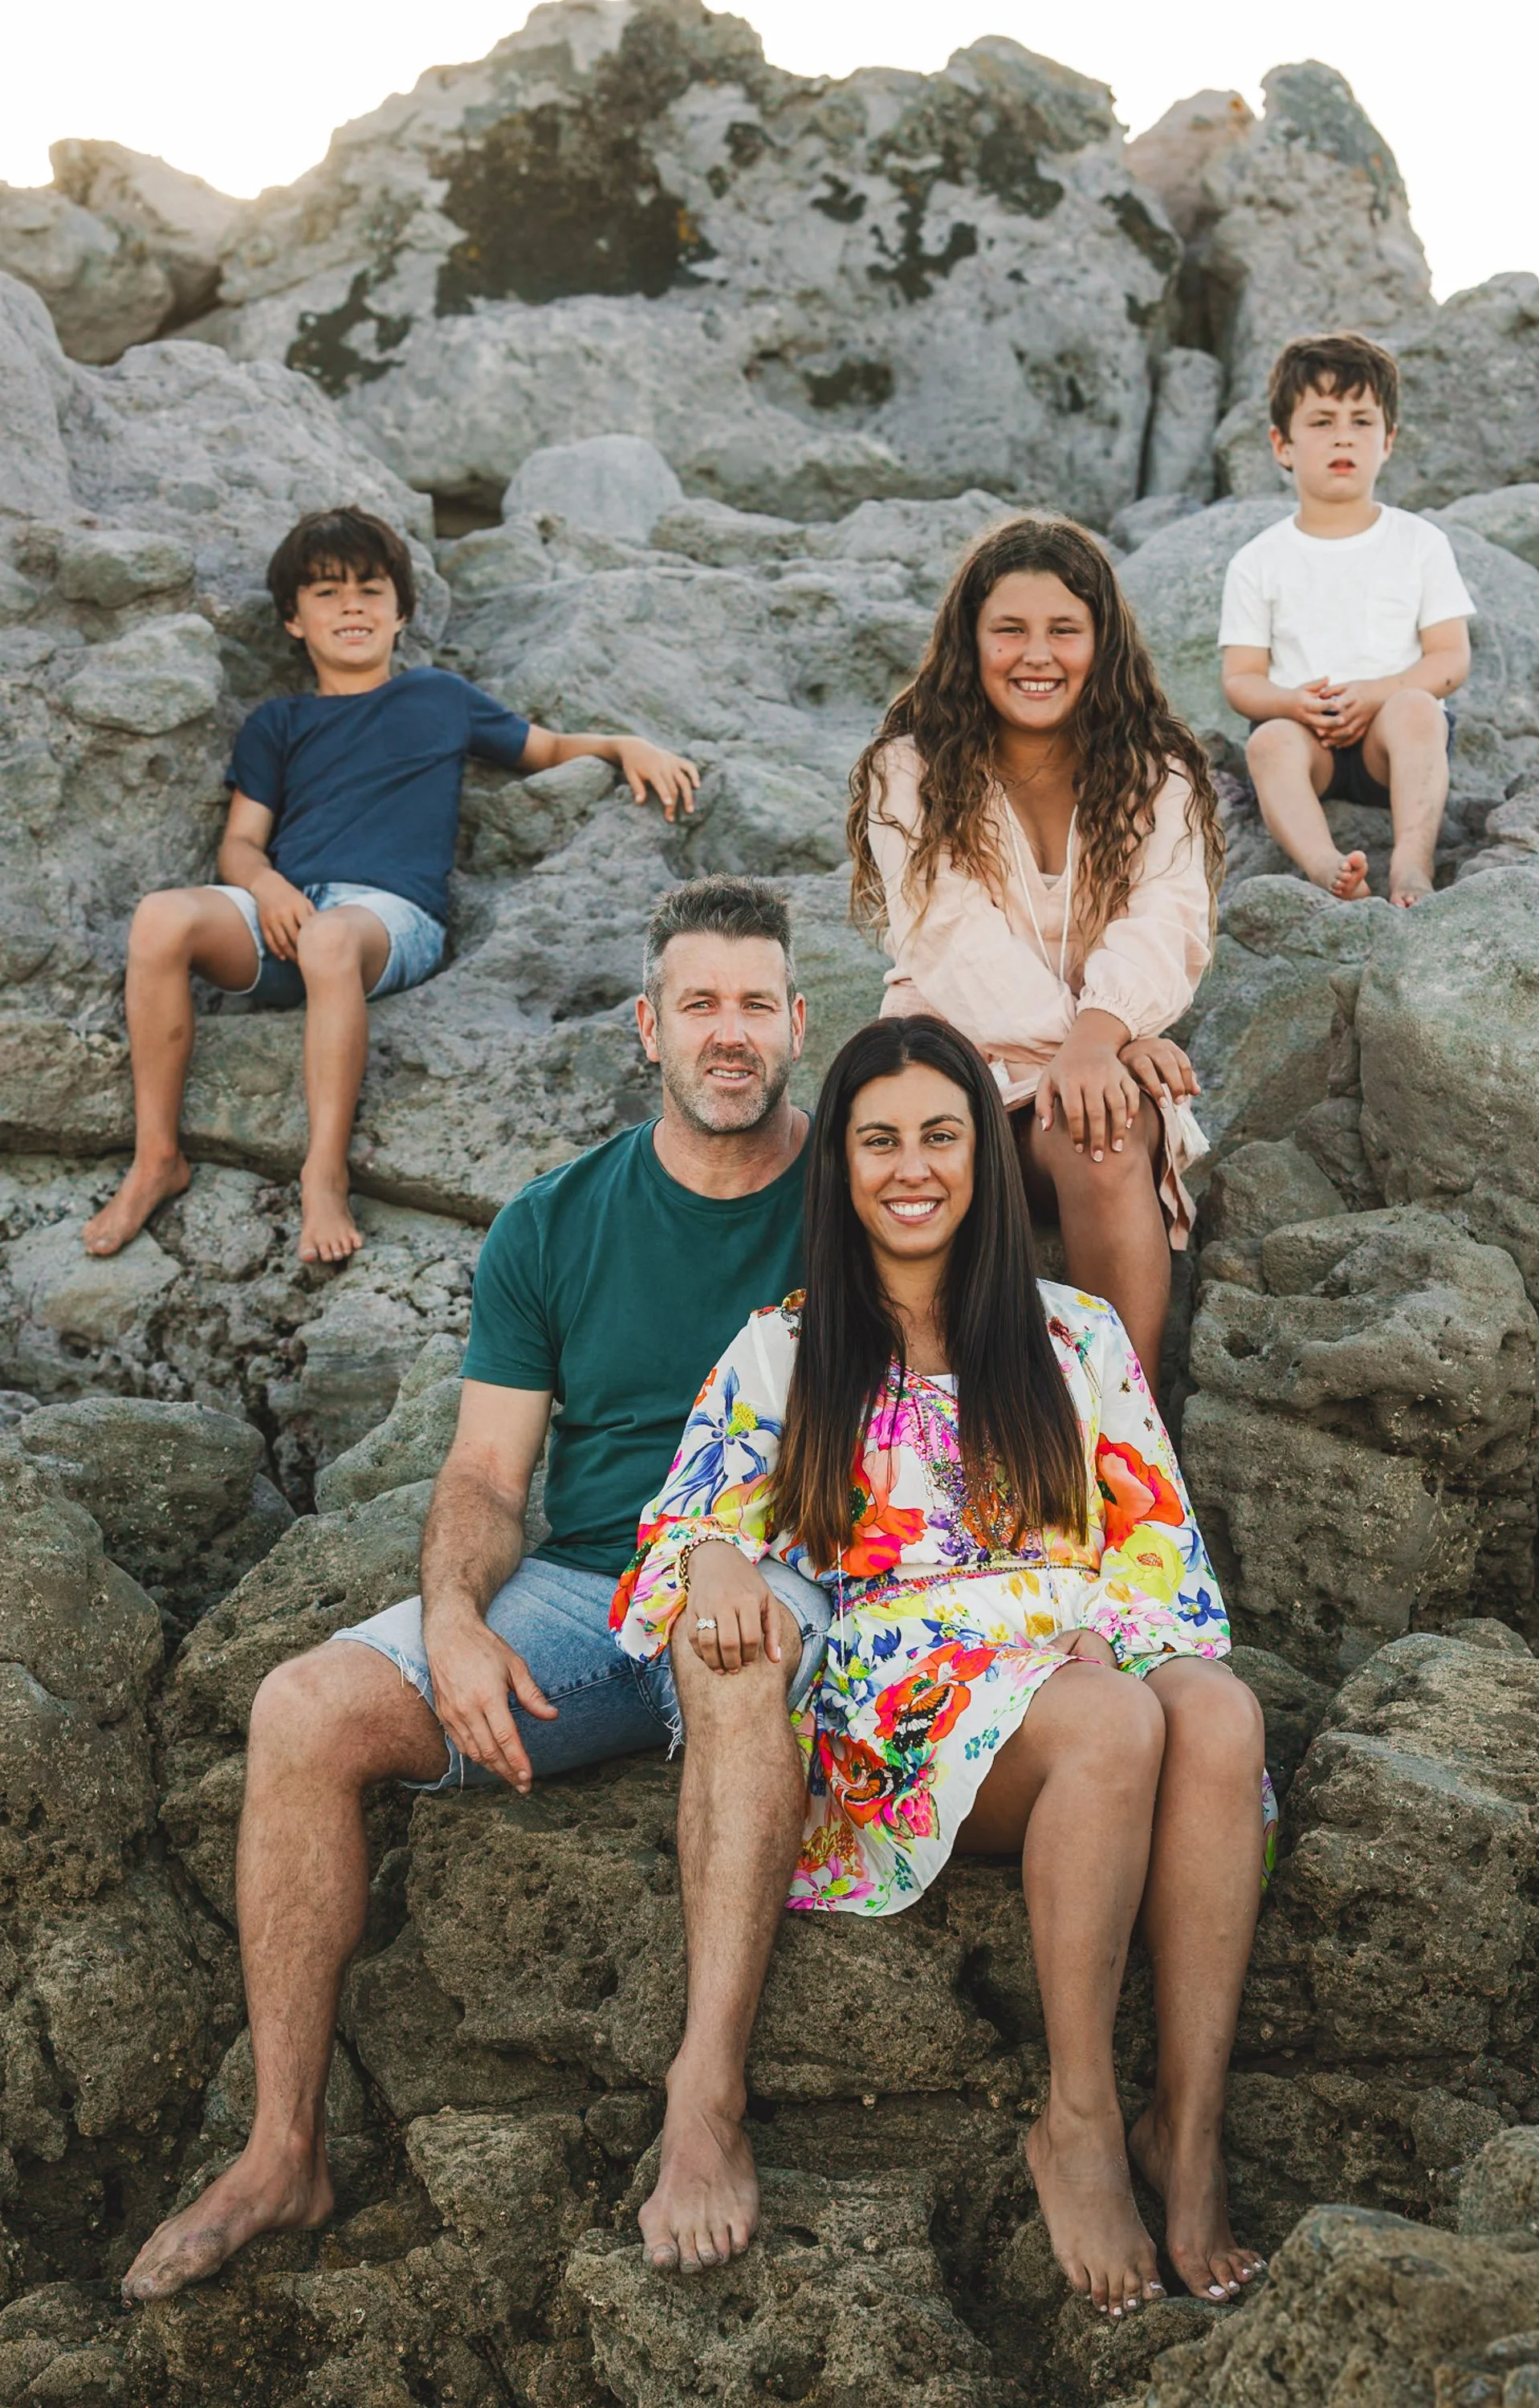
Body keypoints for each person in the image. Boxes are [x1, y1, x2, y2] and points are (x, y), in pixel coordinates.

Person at [120, 876, 833, 2304]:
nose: (730, 1032)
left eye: (757, 1002)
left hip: (786, 1582)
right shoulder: (555, 1222)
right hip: (585, 1595)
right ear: (649, 1028)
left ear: (801, 1022)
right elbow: (490, 1477)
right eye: (700, 1003)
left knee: (732, 1646)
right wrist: (450, 1618)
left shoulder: (863, 1194)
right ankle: (283, 2150)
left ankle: (706, 2103)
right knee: (303, 1708)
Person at [613, 1016, 1275, 2312]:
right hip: (916, 1713)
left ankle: (1183, 2135)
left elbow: (1160, 1548)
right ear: (841, 1166)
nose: (911, 1167)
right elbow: (673, 1532)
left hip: (1081, 1657)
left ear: (981, 1155)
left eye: (940, 1135)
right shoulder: (790, 1352)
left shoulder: (1075, 1339)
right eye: (878, 1140)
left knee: (1223, 1712)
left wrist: (1112, 1638)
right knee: (1113, 1726)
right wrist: (720, 1564)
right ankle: (1077, 2117)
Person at [83, 503, 699, 1268]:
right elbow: (240, 844)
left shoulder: (438, 697)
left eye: (371, 590)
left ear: (401, 611)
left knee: (334, 939)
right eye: (326, 593)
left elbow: (545, 747)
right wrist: (269, 888)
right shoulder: (277, 722)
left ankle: (325, 1174)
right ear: (293, 622)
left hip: (385, 921)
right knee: (158, 919)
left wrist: (625, 742)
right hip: (287, 910)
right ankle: (155, 1160)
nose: (351, 606)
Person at [845, 514, 1223, 1390]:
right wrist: (1106, 1043)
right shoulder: (907, 769)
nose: (1035, 655)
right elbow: (948, 939)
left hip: (1083, 1078)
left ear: (1102, 642)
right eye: (1008, 630)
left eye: (1063, 630)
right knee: (1089, 1101)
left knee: (1105, 1131)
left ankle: (1125, 1445)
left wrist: (1101, 1040)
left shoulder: (1154, 770)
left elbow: (1167, 915)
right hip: (947, 1062)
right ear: (969, 643)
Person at [1219, 330, 1475, 908]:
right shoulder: (1258, 560)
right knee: (1269, 746)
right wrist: (1290, 704)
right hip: (1309, 738)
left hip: (1391, 735)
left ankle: (1411, 861)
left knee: (1418, 711)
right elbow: (1241, 680)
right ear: (1281, 444)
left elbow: (1451, 660)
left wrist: (1377, 693)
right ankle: (1326, 865)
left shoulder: (1419, 543)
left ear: (1389, 440)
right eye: (1322, 421)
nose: (1344, 436)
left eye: (1362, 421)